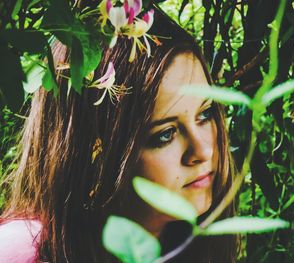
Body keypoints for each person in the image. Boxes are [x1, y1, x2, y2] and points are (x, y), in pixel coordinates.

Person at [0, 2, 238, 262]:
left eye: (205, 114)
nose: (203, 151)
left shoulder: (193, 247)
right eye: (165, 134)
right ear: (96, 151)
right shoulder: (22, 252)